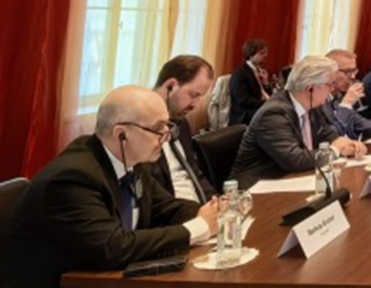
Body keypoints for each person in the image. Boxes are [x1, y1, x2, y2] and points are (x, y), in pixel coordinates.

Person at [0, 87, 218, 287]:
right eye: (158, 129)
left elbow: (165, 207)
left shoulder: (131, 160)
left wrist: (213, 213)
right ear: (121, 134)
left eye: (167, 126)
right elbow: (113, 248)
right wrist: (197, 228)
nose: (166, 137)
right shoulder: (71, 178)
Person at [231, 56, 367, 188]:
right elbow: (295, 160)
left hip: (294, 180)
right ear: (310, 88)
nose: (332, 89)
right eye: (329, 84)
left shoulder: (313, 106)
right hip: (257, 189)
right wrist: (336, 150)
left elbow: (329, 136)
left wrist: (349, 144)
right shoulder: (274, 114)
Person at [146, 55, 216, 202]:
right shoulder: (140, 127)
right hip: (172, 215)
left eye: (200, 97)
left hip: (198, 210)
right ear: (170, 86)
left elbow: (194, 172)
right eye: (193, 95)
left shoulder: (181, 123)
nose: (195, 105)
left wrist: (215, 202)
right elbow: (150, 196)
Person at [229, 38, 271, 125]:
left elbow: (265, 94)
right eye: (262, 53)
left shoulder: (259, 71)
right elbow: (243, 100)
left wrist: (266, 83)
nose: (266, 55)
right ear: (251, 55)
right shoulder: (239, 73)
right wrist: (266, 103)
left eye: (266, 52)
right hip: (245, 114)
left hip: (256, 108)